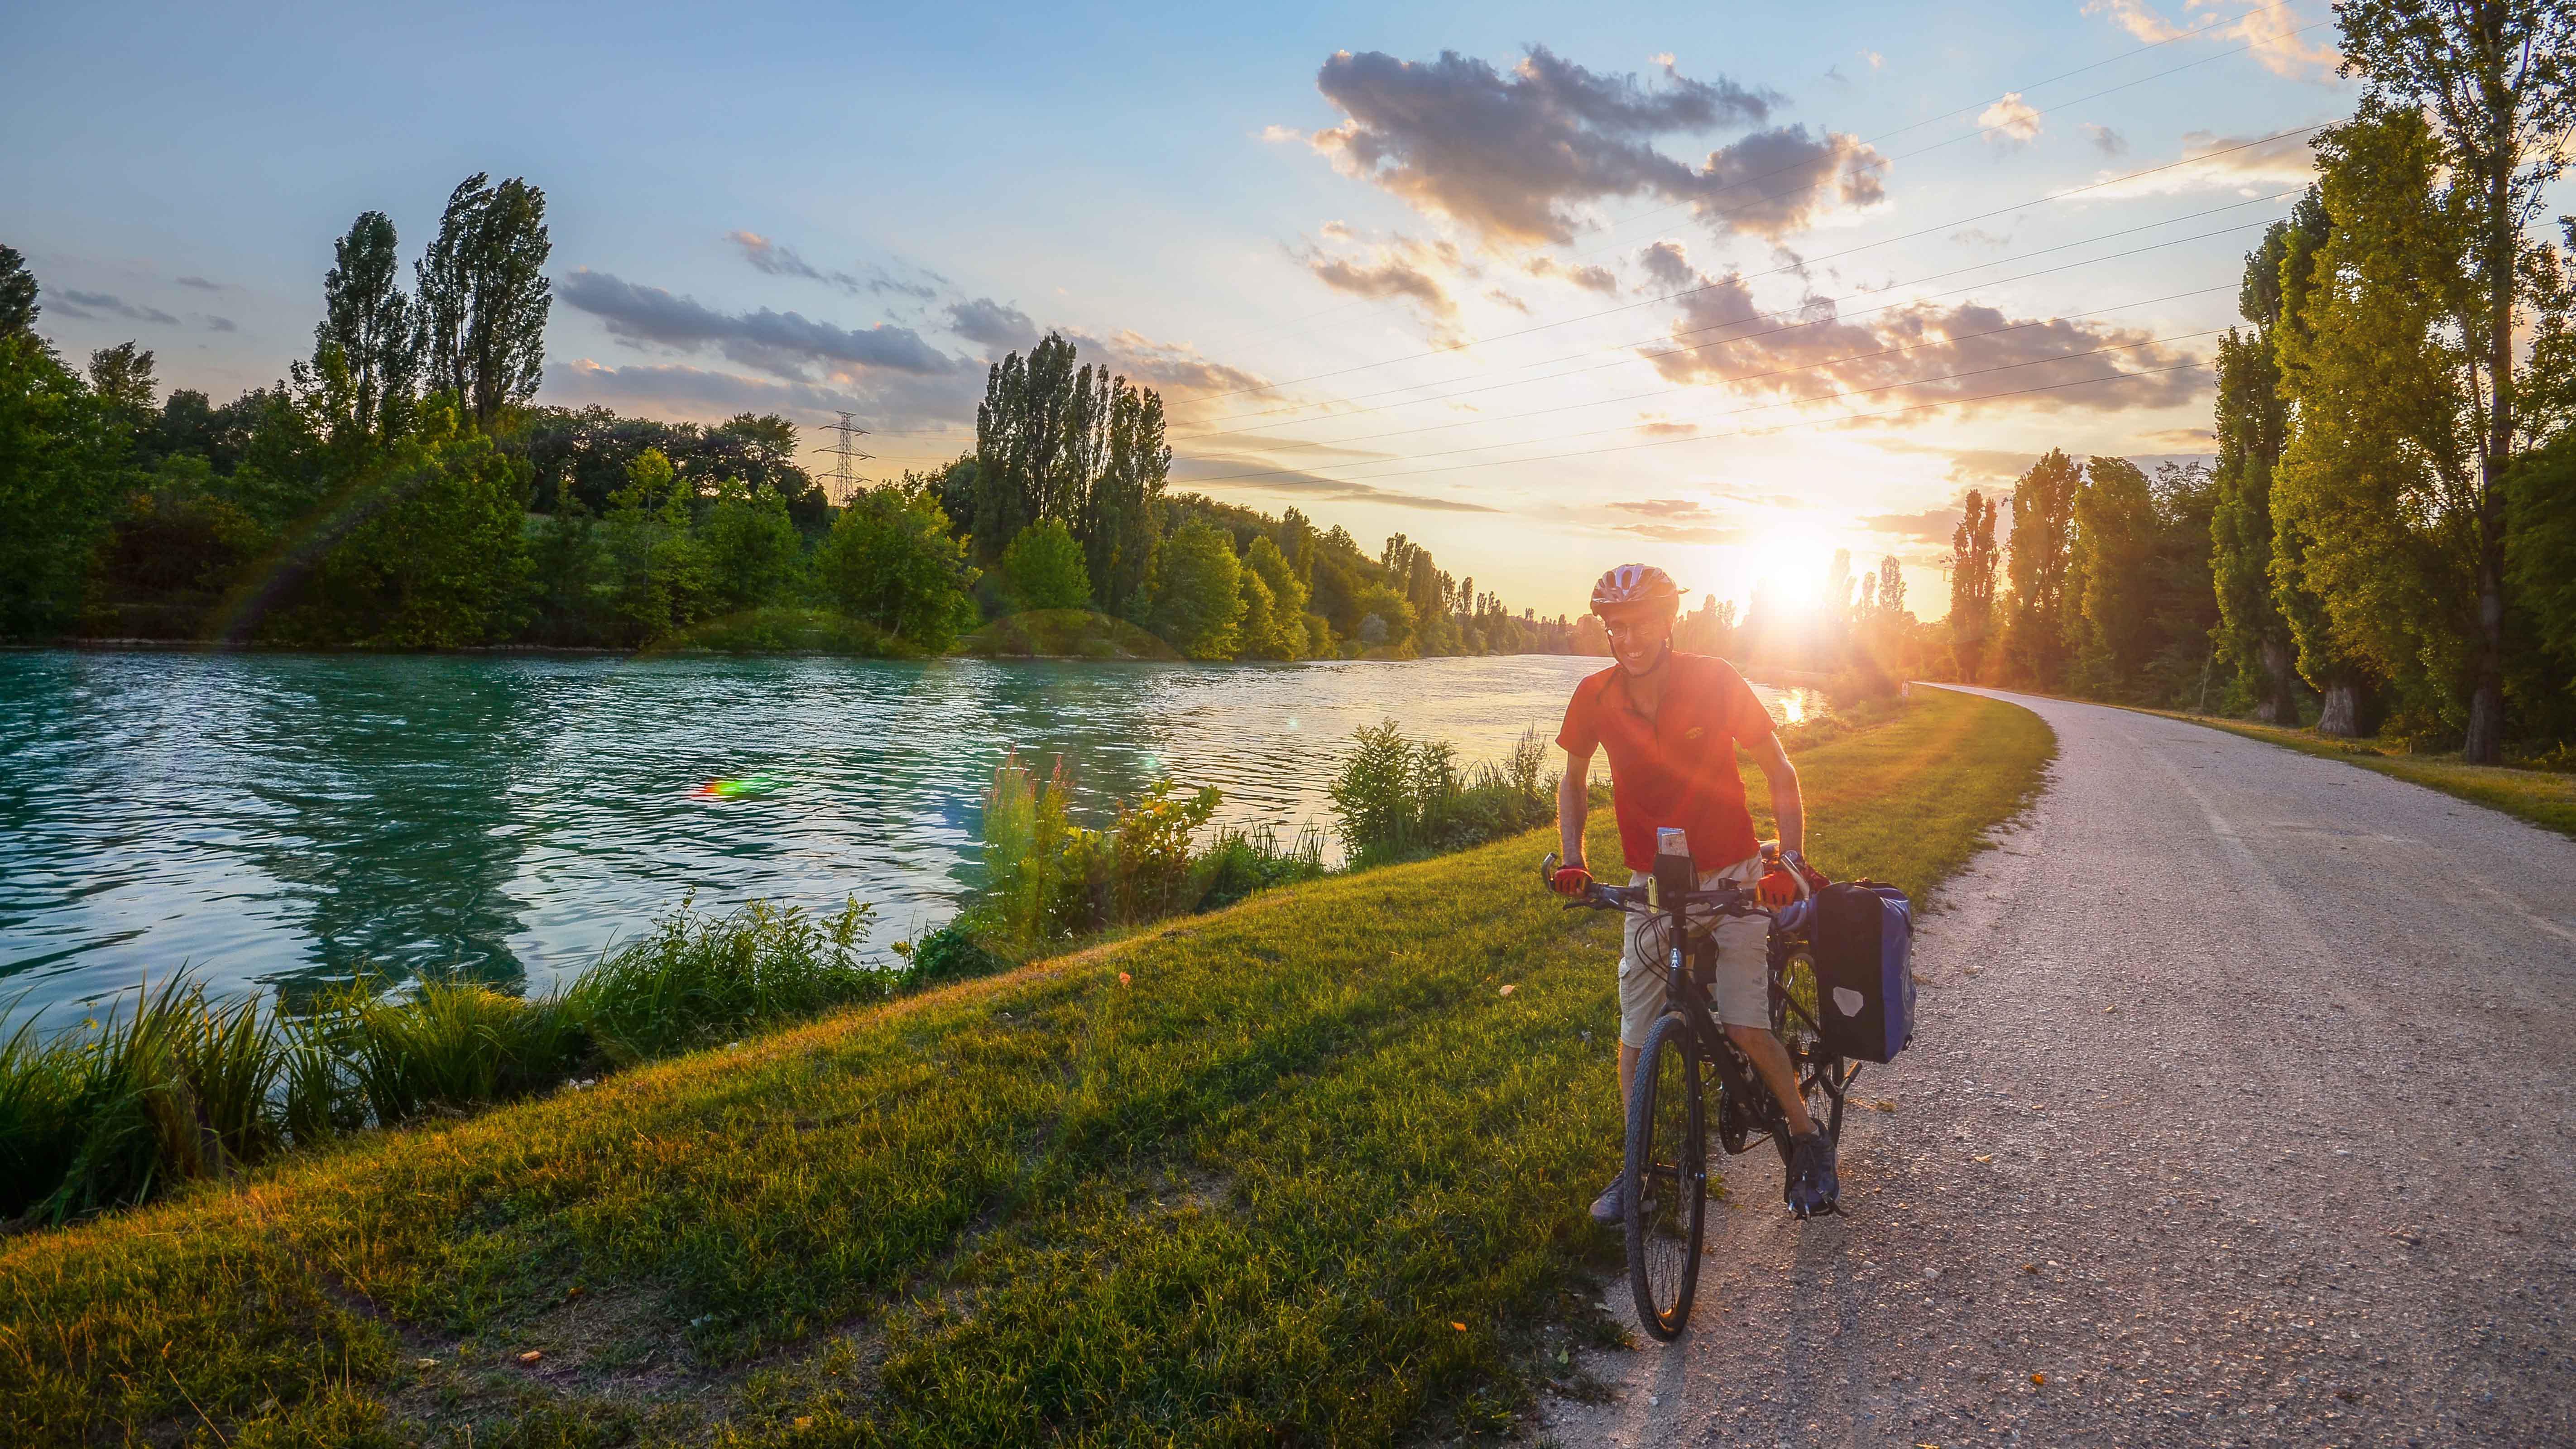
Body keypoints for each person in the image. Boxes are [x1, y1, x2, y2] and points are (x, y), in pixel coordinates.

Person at [1551, 563, 1840, 1220]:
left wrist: (1786, 862)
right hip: (1653, 887)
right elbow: (1572, 779)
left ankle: (1804, 1135)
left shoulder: (1714, 680)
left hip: (1735, 879)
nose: (1626, 637)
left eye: (1640, 622)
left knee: (1743, 1025)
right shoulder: (1594, 694)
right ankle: (1637, 1170)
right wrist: (1573, 858)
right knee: (1633, 1037)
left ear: (1667, 622)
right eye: (1615, 626)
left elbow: (1778, 767)